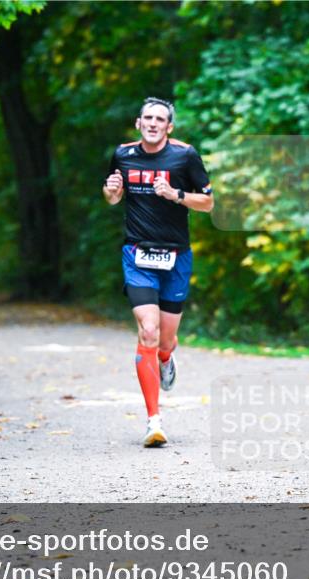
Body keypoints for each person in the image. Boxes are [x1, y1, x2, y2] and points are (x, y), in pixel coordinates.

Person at [102, 97, 214, 447]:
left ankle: (166, 358)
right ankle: (154, 421)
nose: (152, 123)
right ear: (138, 123)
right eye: (147, 118)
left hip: (176, 257)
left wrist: (176, 194)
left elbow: (209, 203)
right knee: (147, 332)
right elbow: (112, 197)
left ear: (169, 127)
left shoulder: (185, 155)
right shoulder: (123, 154)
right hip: (137, 254)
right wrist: (111, 193)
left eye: (159, 119)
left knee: (164, 341)